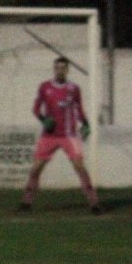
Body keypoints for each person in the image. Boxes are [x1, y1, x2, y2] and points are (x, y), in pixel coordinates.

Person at [18, 56, 101, 214]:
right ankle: (26, 202)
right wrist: (44, 119)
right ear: (54, 69)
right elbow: (36, 109)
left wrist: (86, 123)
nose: (60, 70)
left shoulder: (74, 88)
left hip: (69, 135)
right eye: (57, 67)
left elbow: (79, 109)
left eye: (63, 68)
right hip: (49, 135)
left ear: (67, 70)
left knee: (80, 167)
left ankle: (94, 203)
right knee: (35, 169)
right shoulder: (44, 87)